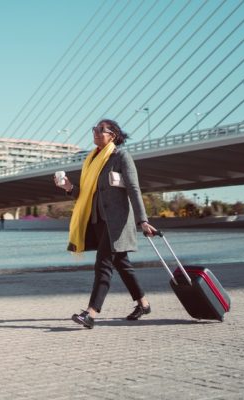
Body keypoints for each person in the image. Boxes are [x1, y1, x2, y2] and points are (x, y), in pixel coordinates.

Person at [54, 119, 157, 329]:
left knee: (103, 264)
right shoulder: (91, 160)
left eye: (102, 130)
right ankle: (143, 304)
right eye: (95, 129)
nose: (97, 133)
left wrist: (143, 220)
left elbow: (133, 189)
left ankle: (90, 313)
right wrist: (68, 187)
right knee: (122, 264)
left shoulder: (121, 156)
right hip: (98, 221)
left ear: (113, 135)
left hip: (117, 222)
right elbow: (85, 194)